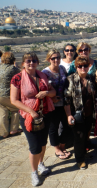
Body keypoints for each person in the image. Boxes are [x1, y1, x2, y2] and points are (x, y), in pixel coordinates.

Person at [10, 52, 56, 186]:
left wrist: (46, 92)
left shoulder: (43, 76)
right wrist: (30, 111)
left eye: (34, 61)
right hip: (28, 116)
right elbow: (14, 100)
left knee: (42, 143)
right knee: (34, 146)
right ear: (23, 63)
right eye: (28, 61)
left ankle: (41, 164)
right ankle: (34, 172)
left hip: (45, 113)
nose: (31, 63)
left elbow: (53, 92)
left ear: (38, 62)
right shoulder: (17, 78)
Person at [64, 56, 97, 170]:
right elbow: (66, 99)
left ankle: (83, 153)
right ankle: (80, 160)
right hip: (77, 114)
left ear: (89, 66)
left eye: (85, 66)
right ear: (76, 67)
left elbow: (95, 94)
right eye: (80, 66)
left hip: (89, 113)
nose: (83, 68)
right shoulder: (70, 79)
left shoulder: (90, 78)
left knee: (86, 135)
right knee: (79, 137)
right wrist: (69, 115)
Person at [42, 49, 71, 159]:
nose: (56, 60)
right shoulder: (45, 72)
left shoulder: (62, 68)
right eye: (53, 58)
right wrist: (52, 97)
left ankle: (63, 146)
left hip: (64, 103)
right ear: (49, 59)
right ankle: (57, 149)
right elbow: (44, 89)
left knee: (66, 125)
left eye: (58, 57)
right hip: (52, 104)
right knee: (53, 127)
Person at [0, 52, 21, 138]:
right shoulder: (13, 68)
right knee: (17, 108)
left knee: (3, 112)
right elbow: (22, 75)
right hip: (7, 95)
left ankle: (4, 132)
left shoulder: (0, 67)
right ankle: (14, 129)